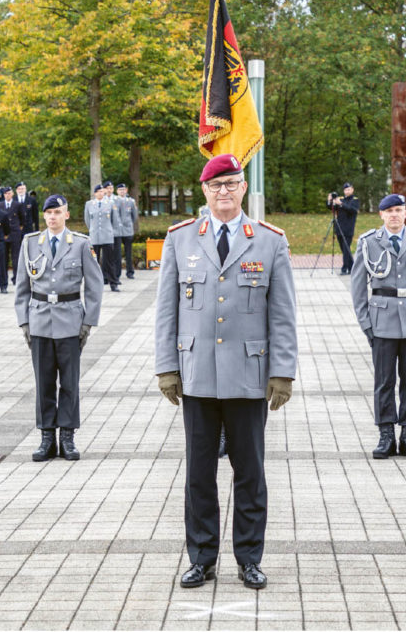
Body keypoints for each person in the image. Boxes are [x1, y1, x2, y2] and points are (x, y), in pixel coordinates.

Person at [154, 153, 297, 591]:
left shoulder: (270, 241)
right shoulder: (180, 239)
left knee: (250, 472)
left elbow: (283, 314)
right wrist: (167, 367)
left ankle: (249, 558)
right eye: (216, 186)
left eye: (232, 184)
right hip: (197, 375)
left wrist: (282, 372)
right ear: (204, 191)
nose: (224, 192)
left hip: (249, 378)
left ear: (243, 189)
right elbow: (167, 311)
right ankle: (202, 557)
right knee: (199, 474)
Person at [15, 194, 103, 461]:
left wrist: (88, 322)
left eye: (57, 212)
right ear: (44, 216)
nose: (52, 217)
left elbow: (95, 286)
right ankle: (46, 438)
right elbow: (21, 287)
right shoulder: (31, 243)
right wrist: (24, 321)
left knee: (69, 383)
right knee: (43, 383)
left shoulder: (80, 244)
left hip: (70, 322)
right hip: (40, 320)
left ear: (66, 214)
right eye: (48, 213)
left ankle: (67, 437)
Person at [352, 193, 406, 459]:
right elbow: (357, 287)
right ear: (381, 215)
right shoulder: (368, 242)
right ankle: (386, 434)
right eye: (388, 211)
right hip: (382, 322)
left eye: (398, 210)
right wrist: (367, 324)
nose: (393, 215)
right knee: (384, 381)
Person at [84, 185, 119, 291]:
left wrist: (111, 231)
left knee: (109, 261)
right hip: (94, 237)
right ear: (94, 193)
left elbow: (115, 220)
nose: (100, 193)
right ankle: (94, 284)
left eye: (101, 191)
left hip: (107, 236)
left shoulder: (110, 203)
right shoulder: (89, 204)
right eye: (98, 191)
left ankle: (113, 283)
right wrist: (93, 230)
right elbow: (87, 220)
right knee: (94, 261)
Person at [328, 183, 359, 274]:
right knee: (344, 249)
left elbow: (353, 210)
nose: (347, 191)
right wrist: (330, 201)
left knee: (346, 248)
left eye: (349, 189)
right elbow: (331, 208)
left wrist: (341, 204)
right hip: (339, 228)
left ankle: (344, 268)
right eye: (345, 190)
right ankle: (352, 266)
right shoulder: (340, 199)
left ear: (352, 190)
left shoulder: (355, 200)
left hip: (348, 228)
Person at [0, 186, 27, 284]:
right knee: (3, 258)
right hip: (3, 234)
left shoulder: (17, 205)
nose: (8, 195)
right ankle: (3, 279)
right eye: (6, 194)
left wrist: (19, 228)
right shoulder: (0, 205)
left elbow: (23, 218)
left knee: (16, 257)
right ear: (4, 195)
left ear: (12, 194)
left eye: (9, 193)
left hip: (14, 233)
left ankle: (16, 278)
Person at [113, 183, 139, 280]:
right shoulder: (114, 201)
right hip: (118, 231)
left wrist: (129, 224)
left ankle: (130, 272)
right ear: (117, 191)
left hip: (128, 230)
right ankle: (117, 273)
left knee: (128, 253)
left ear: (126, 190)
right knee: (117, 253)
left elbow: (134, 215)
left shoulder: (131, 201)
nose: (122, 191)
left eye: (124, 189)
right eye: (120, 190)